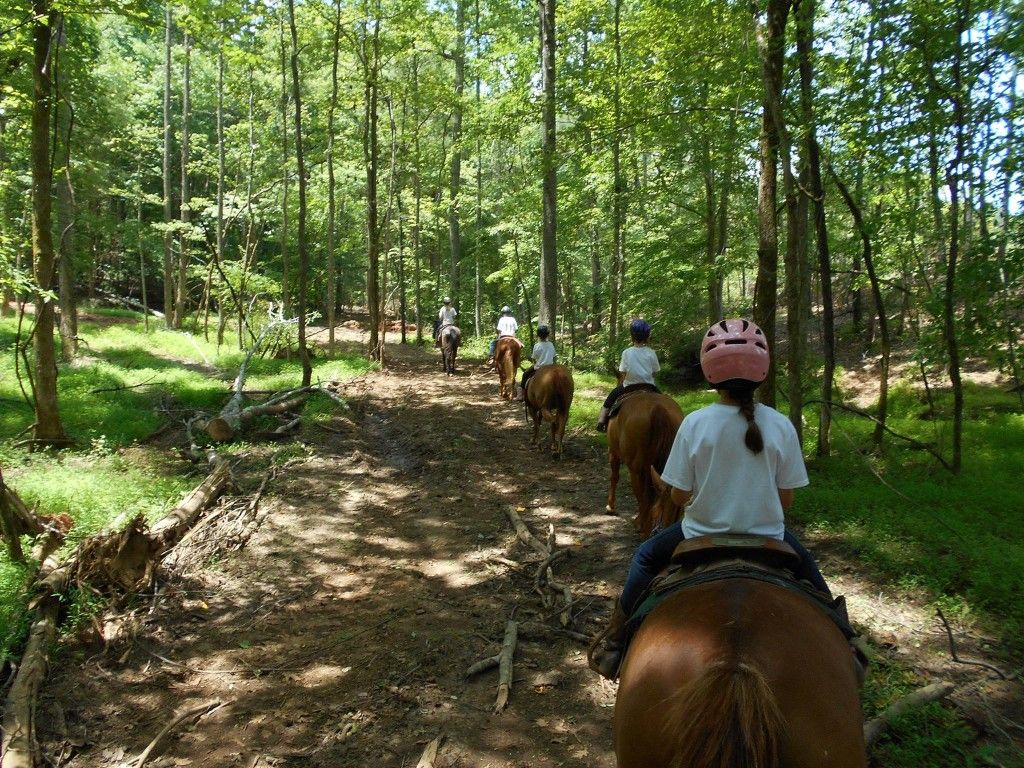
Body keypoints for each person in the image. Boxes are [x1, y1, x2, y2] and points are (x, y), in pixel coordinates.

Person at [587, 318, 831, 680]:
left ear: (710, 372)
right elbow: (786, 502)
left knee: (645, 556)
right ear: (762, 371)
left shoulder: (696, 424)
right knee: (811, 574)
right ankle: (846, 636)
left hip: (698, 535)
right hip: (769, 538)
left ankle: (617, 640)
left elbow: (680, 494)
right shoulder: (781, 425)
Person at [595, 318, 660, 432]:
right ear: (647, 336)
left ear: (632, 336)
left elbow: (623, 372)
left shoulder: (627, 352)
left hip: (629, 386)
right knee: (663, 399)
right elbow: (655, 371)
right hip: (649, 387)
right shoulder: (651, 352)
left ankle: (601, 421)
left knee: (610, 399)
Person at [515, 325, 556, 400]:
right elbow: (553, 356)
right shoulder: (551, 344)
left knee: (525, 374)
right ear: (547, 335)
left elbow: (534, 358)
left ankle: (521, 395)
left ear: (538, 335)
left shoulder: (537, 345)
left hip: (539, 367)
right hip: (551, 368)